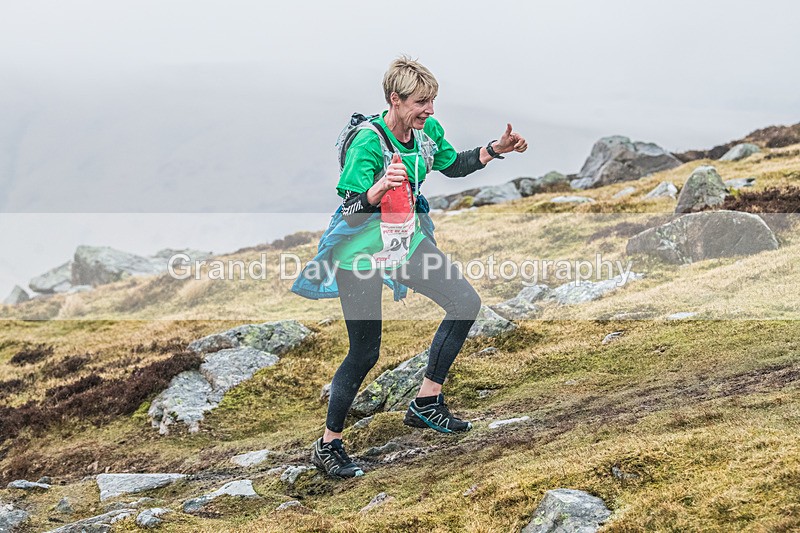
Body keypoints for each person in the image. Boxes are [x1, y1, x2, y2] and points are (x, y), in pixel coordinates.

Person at [309, 56, 528, 478]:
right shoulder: (368, 143)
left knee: (464, 302)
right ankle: (328, 444)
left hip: (404, 240)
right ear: (395, 99)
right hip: (360, 251)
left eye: (432, 101)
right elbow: (351, 211)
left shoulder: (427, 132)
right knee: (365, 350)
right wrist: (377, 191)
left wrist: (495, 150)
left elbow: (452, 164)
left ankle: (427, 402)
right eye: (421, 102)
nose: (429, 110)